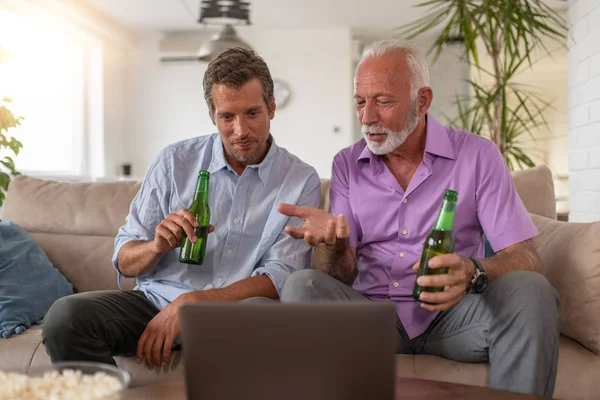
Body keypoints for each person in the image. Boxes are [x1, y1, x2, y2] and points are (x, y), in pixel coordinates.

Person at [277, 39, 560, 398]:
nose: (367, 118)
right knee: (302, 286)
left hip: (456, 316)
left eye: (383, 101)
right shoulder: (346, 164)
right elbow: (340, 275)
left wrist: (473, 270)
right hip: (371, 320)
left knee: (533, 290)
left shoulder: (478, 155)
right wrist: (333, 248)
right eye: (360, 103)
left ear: (422, 100)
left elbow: (527, 258)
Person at [42, 48, 321, 370]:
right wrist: (156, 246)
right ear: (212, 115)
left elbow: (282, 273)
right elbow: (125, 258)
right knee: (67, 317)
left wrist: (194, 301)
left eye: (252, 113)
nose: (240, 131)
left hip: (237, 313)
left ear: (271, 108)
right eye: (227, 117)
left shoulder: (301, 179)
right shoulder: (175, 161)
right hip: (155, 303)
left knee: (264, 319)